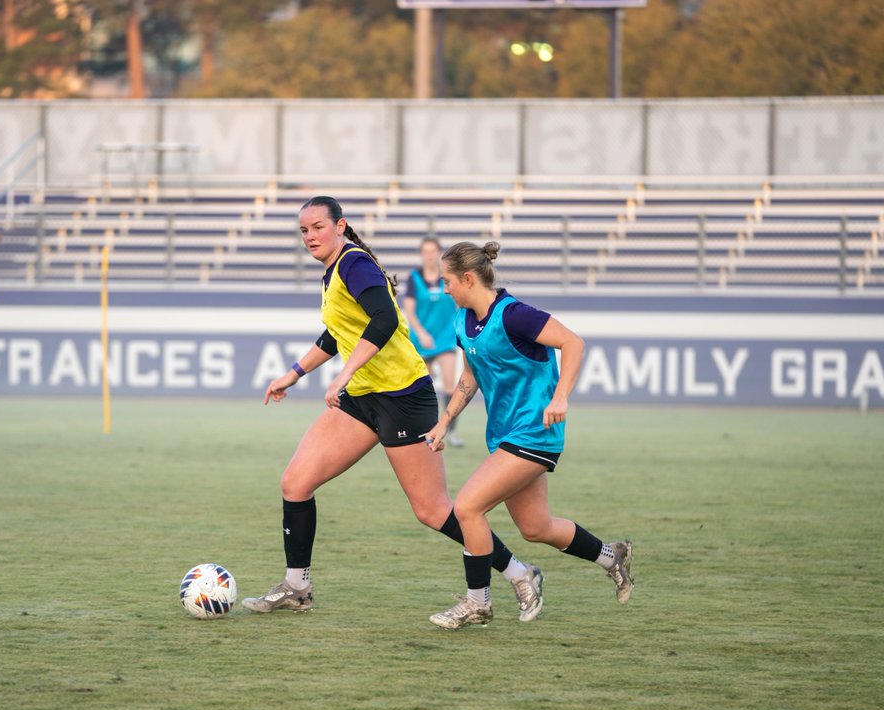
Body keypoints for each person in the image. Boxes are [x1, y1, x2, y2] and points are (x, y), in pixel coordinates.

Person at [242, 197, 545, 623]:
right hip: (363, 397)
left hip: (403, 397)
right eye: (304, 230)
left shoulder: (354, 264)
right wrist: (294, 373)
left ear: (340, 226)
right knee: (295, 482)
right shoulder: (335, 270)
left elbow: (383, 321)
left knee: (432, 510)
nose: (310, 236)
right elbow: (337, 333)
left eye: (318, 227)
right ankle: (297, 587)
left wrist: (344, 374)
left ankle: (519, 572)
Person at [424, 240, 634, 630]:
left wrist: (561, 396)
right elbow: (469, 376)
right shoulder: (462, 321)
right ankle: (612, 557)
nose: (444, 288)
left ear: (468, 279)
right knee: (536, 528)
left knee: (467, 507)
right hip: (504, 435)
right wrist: (445, 421)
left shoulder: (515, 315)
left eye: (447, 281)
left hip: (535, 431)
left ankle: (477, 603)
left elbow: (573, 343)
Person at [402, 235, 463, 447]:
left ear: (439, 253)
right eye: (425, 252)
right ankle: (420, 429)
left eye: (433, 251)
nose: (429, 256)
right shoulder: (414, 278)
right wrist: (421, 333)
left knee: (450, 383)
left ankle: (451, 430)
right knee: (421, 385)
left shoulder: (448, 277)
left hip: (445, 339)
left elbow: (458, 303)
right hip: (421, 340)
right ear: (421, 254)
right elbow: (409, 311)